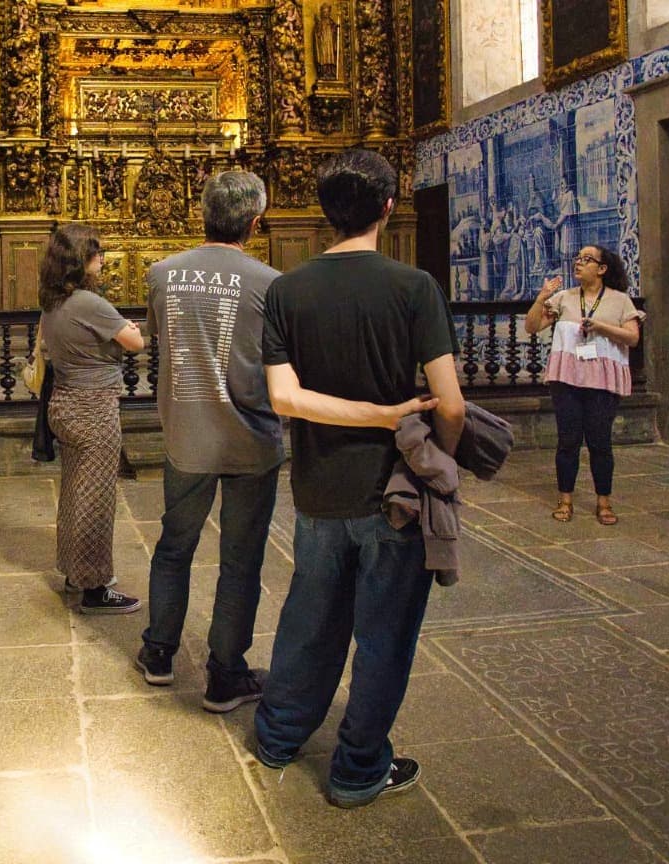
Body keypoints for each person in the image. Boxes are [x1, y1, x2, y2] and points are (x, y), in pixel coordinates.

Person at [253, 148, 465, 809]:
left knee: (309, 621)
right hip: (393, 494)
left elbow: (284, 399)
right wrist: (430, 455)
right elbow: (451, 404)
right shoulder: (412, 288)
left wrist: (362, 416)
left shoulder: (286, 290)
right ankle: (357, 769)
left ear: (324, 214)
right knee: (384, 637)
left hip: (318, 490)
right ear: (387, 207)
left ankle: (279, 736)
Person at [134, 171, 284, 713]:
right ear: (254, 221)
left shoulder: (161, 274)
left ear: (202, 213)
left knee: (174, 546)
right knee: (240, 562)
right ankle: (225, 677)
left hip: (187, 436)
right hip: (251, 441)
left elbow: (155, 341)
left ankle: (159, 653)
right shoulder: (271, 282)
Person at [39, 225, 147, 614]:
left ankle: (74, 571)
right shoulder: (88, 302)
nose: (101, 259)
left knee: (73, 494)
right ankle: (95, 588)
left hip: (65, 403)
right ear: (78, 260)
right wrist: (131, 330)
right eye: (95, 252)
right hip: (94, 407)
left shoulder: (51, 301)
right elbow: (135, 342)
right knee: (96, 499)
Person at [524, 245, 642, 525]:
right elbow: (532, 326)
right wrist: (542, 298)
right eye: (577, 258)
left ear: (602, 269)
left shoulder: (619, 300)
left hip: (602, 380)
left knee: (600, 442)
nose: (578, 263)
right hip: (567, 379)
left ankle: (604, 502)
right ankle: (565, 500)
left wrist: (600, 326)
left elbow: (633, 338)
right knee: (568, 441)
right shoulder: (564, 298)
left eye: (586, 260)